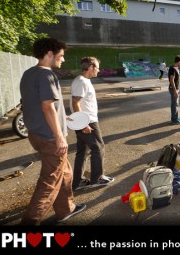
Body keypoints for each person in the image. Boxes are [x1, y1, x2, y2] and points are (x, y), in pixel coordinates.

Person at [19, 37, 86, 225]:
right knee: (49, 183)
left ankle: (66, 209)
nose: (63, 60)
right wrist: (59, 137)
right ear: (50, 53)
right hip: (50, 137)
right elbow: (47, 106)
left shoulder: (28, 74)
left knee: (65, 172)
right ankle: (30, 222)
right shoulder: (47, 75)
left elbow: (34, 104)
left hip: (36, 134)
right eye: (61, 56)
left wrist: (65, 118)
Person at [70, 57, 114, 191]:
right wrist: (83, 124)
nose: (99, 71)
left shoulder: (83, 81)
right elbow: (75, 102)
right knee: (98, 147)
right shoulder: (81, 81)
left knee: (83, 151)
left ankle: (77, 182)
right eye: (98, 68)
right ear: (91, 67)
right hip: (87, 121)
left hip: (84, 121)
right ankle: (97, 178)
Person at [168, 55, 180, 124]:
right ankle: (174, 119)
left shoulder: (177, 68)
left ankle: (176, 118)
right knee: (174, 104)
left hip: (177, 89)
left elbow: (177, 79)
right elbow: (171, 80)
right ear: (179, 61)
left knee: (176, 104)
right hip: (173, 89)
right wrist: (175, 91)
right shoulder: (172, 69)